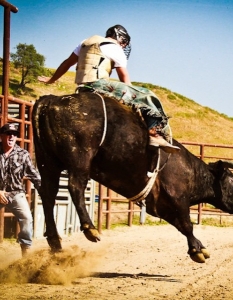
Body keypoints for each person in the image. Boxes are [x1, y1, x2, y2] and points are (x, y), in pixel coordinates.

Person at [38, 25, 180, 153]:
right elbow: (124, 79)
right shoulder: (116, 49)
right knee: (148, 95)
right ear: (119, 38)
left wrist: (51, 80)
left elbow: (67, 63)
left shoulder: (85, 42)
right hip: (98, 85)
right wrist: (133, 97)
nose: (123, 46)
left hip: (82, 88)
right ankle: (154, 134)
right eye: (124, 43)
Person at [0, 123, 41, 257]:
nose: (11, 136)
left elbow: (33, 174)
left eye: (14, 134)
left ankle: (26, 251)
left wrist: (46, 188)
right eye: (8, 134)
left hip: (16, 193)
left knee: (26, 218)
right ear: (2, 136)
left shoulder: (23, 154)